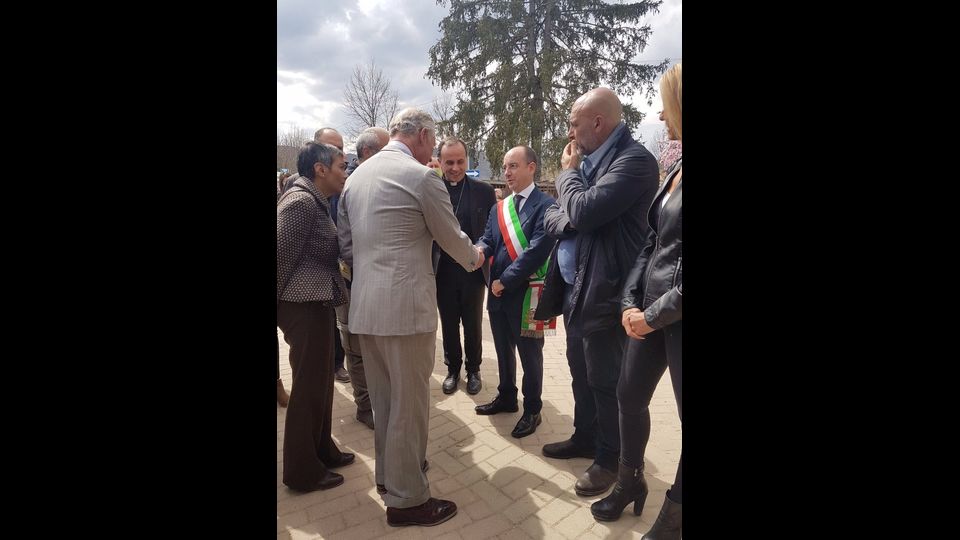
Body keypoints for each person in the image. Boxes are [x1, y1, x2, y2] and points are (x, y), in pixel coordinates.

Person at [338, 107, 484, 527]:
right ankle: (408, 502)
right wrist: (476, 257)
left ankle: (391, 478)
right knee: (409, 405)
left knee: (385, 404)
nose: (433, 150)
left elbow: (348, 244)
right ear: (421, 136)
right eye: (432, 141)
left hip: (367, 308)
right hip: (405, 311)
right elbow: (451, 236)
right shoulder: (421, 177)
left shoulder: (358, 176)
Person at [535, 87, 660, 497]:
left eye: (573, 123)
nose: (569, 132)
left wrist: (568, 177)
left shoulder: (635, 161)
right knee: (580, 372)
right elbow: (561, 215)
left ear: (598, 123)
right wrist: (572, 210)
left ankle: (611, 459)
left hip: (609, 294)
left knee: (607, 381)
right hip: (577, 288)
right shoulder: (592, 163)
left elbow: (583, 211)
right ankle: (585, 437)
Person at [591, 64, 682, 540]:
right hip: (649, 311)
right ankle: (630, 481)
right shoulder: (679, 167)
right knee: (629, 396)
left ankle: (676, 513)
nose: (663, 119)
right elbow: (652, 241)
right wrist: (632, 300)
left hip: (673, 316)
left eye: (667, 107)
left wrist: (651, 315)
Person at [277, 141, 356, 492]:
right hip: (301, 307)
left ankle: (322, 449)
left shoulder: (315, 200)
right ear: (320, 169)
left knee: (321, 384)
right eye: (341, 165)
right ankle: (302, 472)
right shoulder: (299, 202)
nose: (346, 171)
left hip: (317, 303)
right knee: (308, 390)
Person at [474, 146, 555, 438]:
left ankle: (532, 408)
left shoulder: (547, 205)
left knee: (530, 354)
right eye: (505, 167)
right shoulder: (499, 208)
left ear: (531, 167)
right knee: (502, 349)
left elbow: (536, 251)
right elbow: (488, 238)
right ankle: (507, 396)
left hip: (525, 293)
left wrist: (504, 281)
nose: (507, 173)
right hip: (497, 294)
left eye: (513, 166)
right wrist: (479, 250)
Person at [336, 126, 390, 429]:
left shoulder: (375, 181)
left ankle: (379, 399)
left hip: (370, 280)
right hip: (351, 282)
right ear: (368, 153)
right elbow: (346, 244)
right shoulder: (349, 184)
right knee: (355, 348)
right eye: (386, 151)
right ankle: (365, 406)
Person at [434, 137, 496, 395]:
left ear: (467, 160)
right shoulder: (432, 188)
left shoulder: (483, 190)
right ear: (440, 162)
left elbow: (491, 230)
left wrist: (480, 249)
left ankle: (474, 369)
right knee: (448, 323)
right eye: (449, 162)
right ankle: (452, 369)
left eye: (460, 161)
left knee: (472, 324)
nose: (455, 168)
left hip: (472, 270)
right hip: (443, 271)